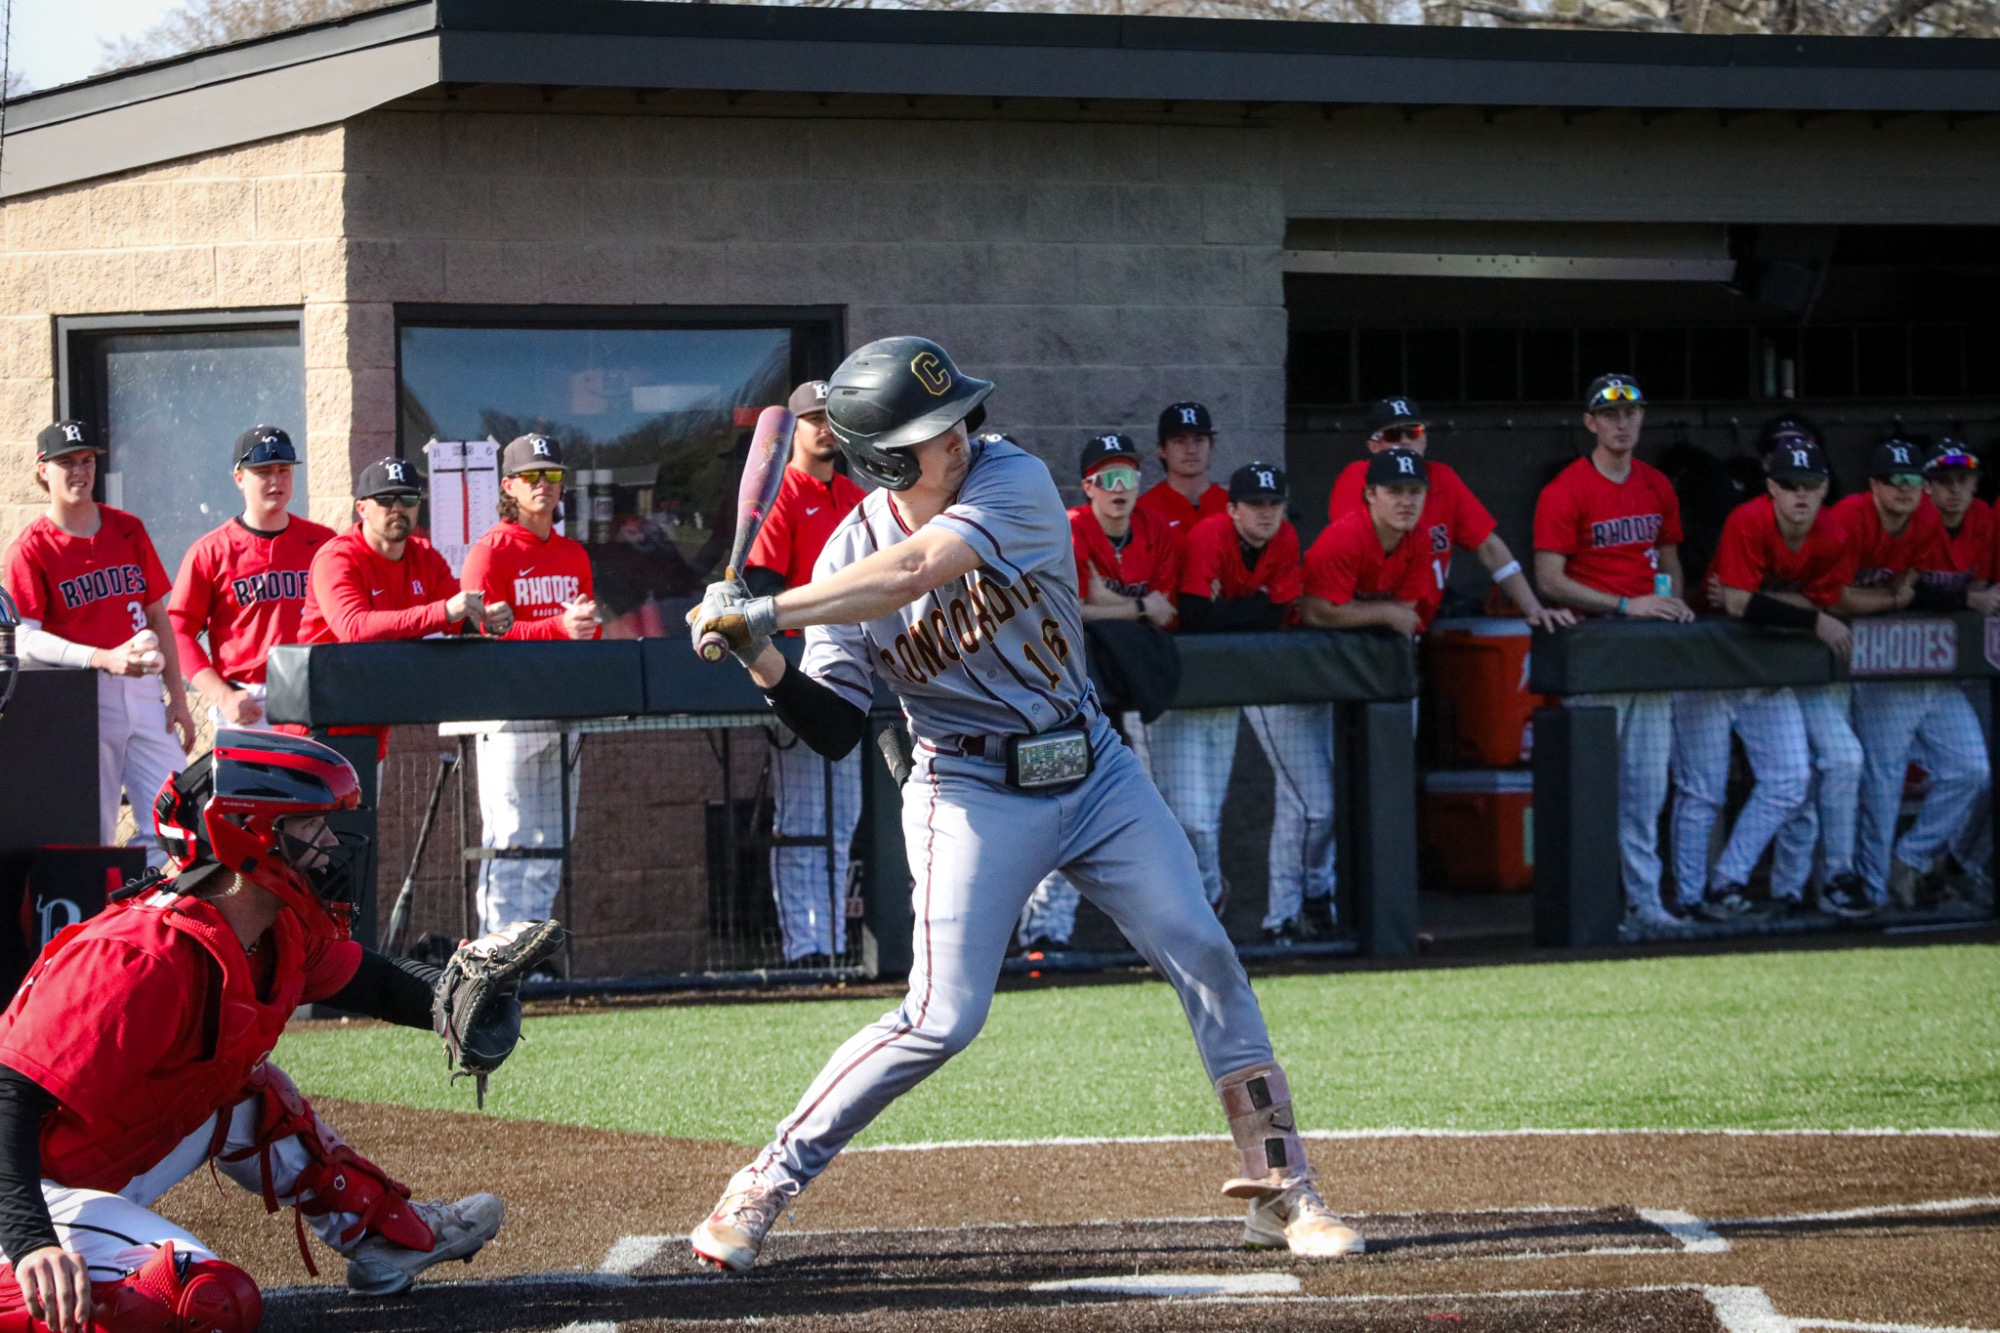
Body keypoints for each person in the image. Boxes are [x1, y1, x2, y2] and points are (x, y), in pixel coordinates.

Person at [683, 337, 1363, 1273]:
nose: (960, 434)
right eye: (934, 430)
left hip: (1093, 771)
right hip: (968, 790)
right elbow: (838, 724)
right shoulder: (845, 551)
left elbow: (917, 569)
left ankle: (1283, 1185)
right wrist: (758, 656)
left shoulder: (1014, 478)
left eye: (959, 414)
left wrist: (768, 609)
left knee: (1203, 945)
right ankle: (763, 1182)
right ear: (882, 458)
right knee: (942, 1016)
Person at [0, 731, 507, 1333]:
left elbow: (373, 981)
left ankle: (386, 1236)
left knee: (250, 1092)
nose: (328, 847)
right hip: (18, 1190)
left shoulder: (272, 932)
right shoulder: (140, 959)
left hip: (74, 1172)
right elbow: (7, 1100)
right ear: (248, 835)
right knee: (209, 1302)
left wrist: (464, 998)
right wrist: (32, 1242)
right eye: (310, 827)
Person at [1532, 375, 1694, 931]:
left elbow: (1668, 557)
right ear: (1591, 423)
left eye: (1631, 413)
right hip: (1595, 649)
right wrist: (1629, 605)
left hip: (1646, 650)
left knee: (1646, 792)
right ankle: (1591, 907)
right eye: (1610, 414)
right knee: (1592, 791)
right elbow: (1549, 580)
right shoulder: (1566, 489)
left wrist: (1669, 602)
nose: (1622, 423)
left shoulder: (1656, 485)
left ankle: (1645, 905)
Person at [1689, 438, 1868, 921]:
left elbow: (1822, 602)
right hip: (1712, 660)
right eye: (1790, 485)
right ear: (1771, 486)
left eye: (1811, 485)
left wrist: (1768, 602)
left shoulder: (1831, 533)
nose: (1800, 495)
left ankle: (1744, 881)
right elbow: (1735, 605)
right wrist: (1807, 617)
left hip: (1777, 666)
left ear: (1825, 488)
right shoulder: (1748, 519)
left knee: (1796, 778)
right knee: (1699, 792)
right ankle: (1687, 899)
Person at [3, 421, 194, 869]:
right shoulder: (29, 549)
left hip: (145, 690)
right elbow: (24, 639)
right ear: (42, 471)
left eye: (87, 460)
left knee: (180, 821)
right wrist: (103, 658)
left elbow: (156, 614)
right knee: (93, 829)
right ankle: (99, 918)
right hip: (81, 696)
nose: (79, 471)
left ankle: (129, 903)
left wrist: (179, 699)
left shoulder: (127, 528)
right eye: (66, 462)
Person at [1018, 433, 1180, 954]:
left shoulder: (1155, 528)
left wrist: (1105, 602)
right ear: (1087, 486)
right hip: (1058, 701)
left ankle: (1091, 934)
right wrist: (1130, 608)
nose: (1119, 488)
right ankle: (1042, 932)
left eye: (1128, 476)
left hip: (1122, 703)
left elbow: (1168, 609)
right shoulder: (1070, 529)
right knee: (1056, 814)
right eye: (1107, 478)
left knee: (1135, 817)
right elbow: (1073, 608)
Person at [738, 381, 870, 968]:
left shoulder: (855, 494)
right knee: (801, 821)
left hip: (852, 666)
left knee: (845, 818)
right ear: (793, 427)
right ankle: (805, 948)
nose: (824, 427)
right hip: (796, 669)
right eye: (813, 418)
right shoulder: (781, 494)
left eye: (830, 417)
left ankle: (836, 945)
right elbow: (762, 590)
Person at [1832, 439, 1990, 911]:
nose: (1909, 489)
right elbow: (1843, 597)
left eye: (1914, 481)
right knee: (1878, 782)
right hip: (1871, 663)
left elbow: (1929, 584)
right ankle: (1874, 890)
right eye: (1898, 480)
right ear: (1877, 486)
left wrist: (1910, 596)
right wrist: (1898, 598)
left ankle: (1911, 857)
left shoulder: (1934, 519)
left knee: (1972, 769)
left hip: (1927, 664)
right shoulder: (1852, 517)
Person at [1176, 463, 1326, 942]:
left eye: (1274, 504)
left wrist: (1233, 609)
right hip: (1180, 685)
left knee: (1296, 807)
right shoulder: (1209, 536)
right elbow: (1197, 617)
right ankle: (1196, 905)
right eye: (1256, 505)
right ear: (1233, 508)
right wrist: (1251, 605)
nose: (1266, 514)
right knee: (1187, 815)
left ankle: (1276, 912)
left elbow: (1276, 611)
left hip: (1247, 681)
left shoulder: (1284, 540)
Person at [460, 433, 601, 938]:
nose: (544, 484)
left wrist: (586, 628)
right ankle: (494, 957)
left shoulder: (573, 554)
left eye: (553, 475)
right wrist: (556, 628)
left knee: (553, 839)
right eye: (532, 476)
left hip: (563, 706)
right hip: (507, 711)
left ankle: (532, 955)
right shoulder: (490, 552)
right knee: (510, 837)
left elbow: (585, 631)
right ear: (508, 485)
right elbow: (482, 636)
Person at [295, 457, 512, 758]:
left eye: (408, 498)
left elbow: (457, 618)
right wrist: (444, 612)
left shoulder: (424, 555)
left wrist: (486, 619)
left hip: (372, 721)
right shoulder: (337, 557)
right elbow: (354, 628)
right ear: (362, 508)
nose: (398, 507)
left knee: (366, 806)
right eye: (385, 498)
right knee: (326, 807)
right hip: (318, 726)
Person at [1327, 398, 1571, 631]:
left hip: (1419, 623)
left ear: (1424, 440)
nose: (1404, 442)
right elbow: (1352, 553)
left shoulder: (1442, 478)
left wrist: (1533, 609)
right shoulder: (1357, 478)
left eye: (1413, 433)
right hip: (1361, 626)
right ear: (1374, 445)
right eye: (1392, 435)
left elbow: (1489, 546)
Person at [168, 426, 333, 733]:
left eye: (284, 470)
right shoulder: (212, 551)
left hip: (315, 694)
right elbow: (178, 632)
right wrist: (222, 695)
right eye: (263, 471)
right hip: (247, 699)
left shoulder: (325, 543)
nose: (276, 480)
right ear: (239, 478)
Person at [1918, 441, 1998, 899]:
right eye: (1944, 481)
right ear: (1926, 487)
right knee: (1867, 776)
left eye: (1963, 481)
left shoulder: (1984, 519)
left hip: (1956, 670)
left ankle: (1950, 864)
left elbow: (1985, 585)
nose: (1954, 491)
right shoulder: (1911, 520)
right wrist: (1968, 601)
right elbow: (1900, 591)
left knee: (1976, 771)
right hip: (1888, 674)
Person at [1134, 401, 1230, 539]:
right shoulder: (1143, 510)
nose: (1191, 450)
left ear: (1211, 445)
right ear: (1162, 449)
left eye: (1199, 440)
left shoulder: (1233, 507)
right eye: (1179, 441)